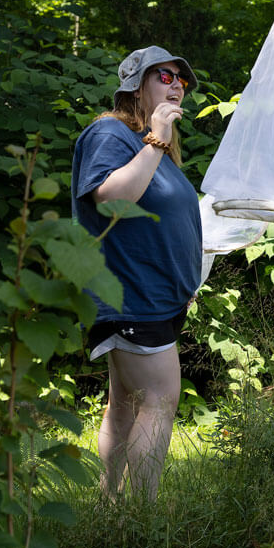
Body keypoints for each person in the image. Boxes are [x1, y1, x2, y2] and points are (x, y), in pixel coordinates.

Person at [70, 46, 202, 501]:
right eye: (165, 76)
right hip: (131, 296)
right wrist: (157, 138)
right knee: (160, 401)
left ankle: (110, 510)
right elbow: (110, 199)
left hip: (154, 297)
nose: (177, 86)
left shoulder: (153, 148)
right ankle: (139, 518)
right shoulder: (111, 132)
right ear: (136, 84)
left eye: (181, 80)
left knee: (125, 404)